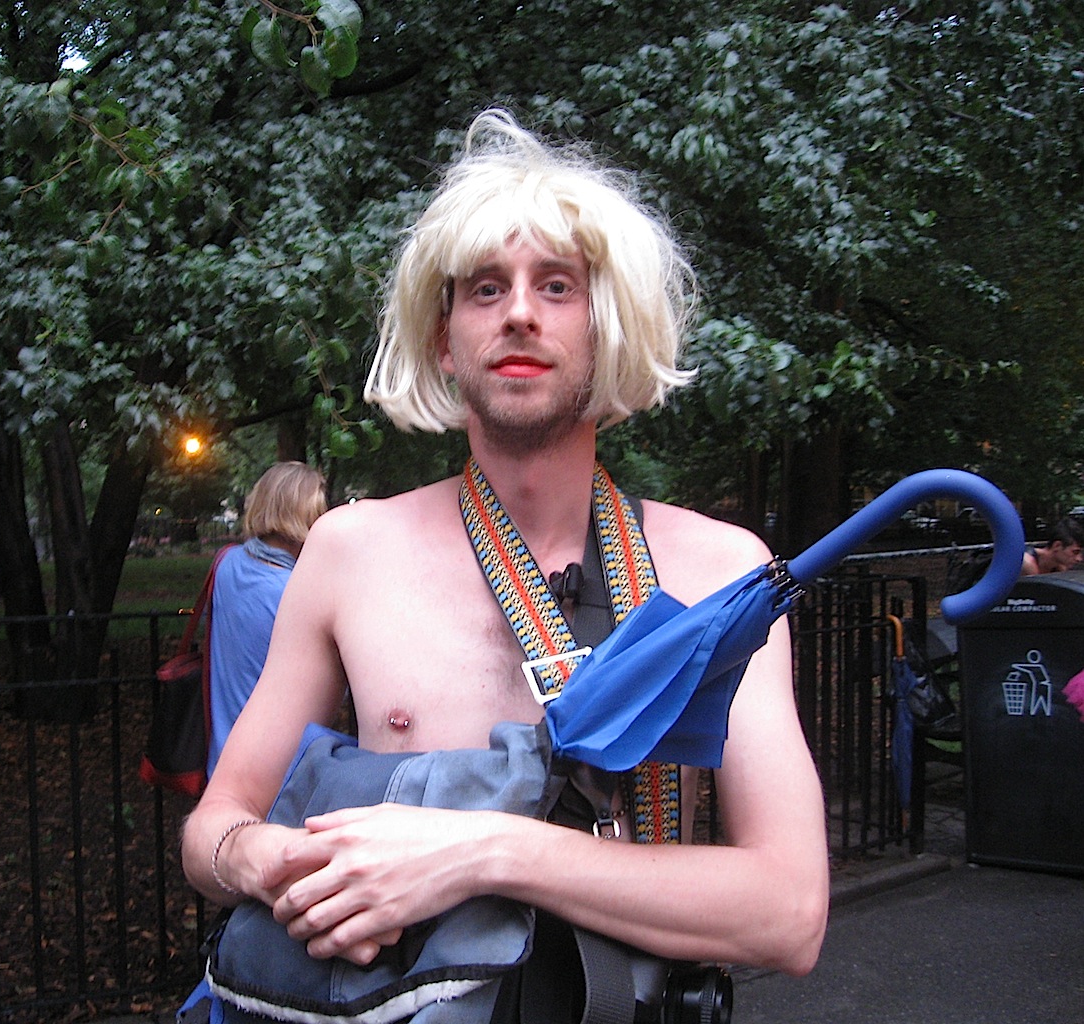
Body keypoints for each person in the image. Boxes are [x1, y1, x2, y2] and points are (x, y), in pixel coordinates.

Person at [181, 109, 828, 1017]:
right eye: (485, 289)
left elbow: (788, 914)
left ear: (607, 326)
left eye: (556, 286)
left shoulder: (723, 571)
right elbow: (213, 827)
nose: (518, 311)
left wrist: (482, 852)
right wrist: (259, 858)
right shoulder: (349, 552)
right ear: (444, 339)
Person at [207, 461, 328, 773]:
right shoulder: (296, 592)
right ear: (306, 515)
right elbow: (330, 693)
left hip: (222, 763)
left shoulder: (227, 564)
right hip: (279, 774)